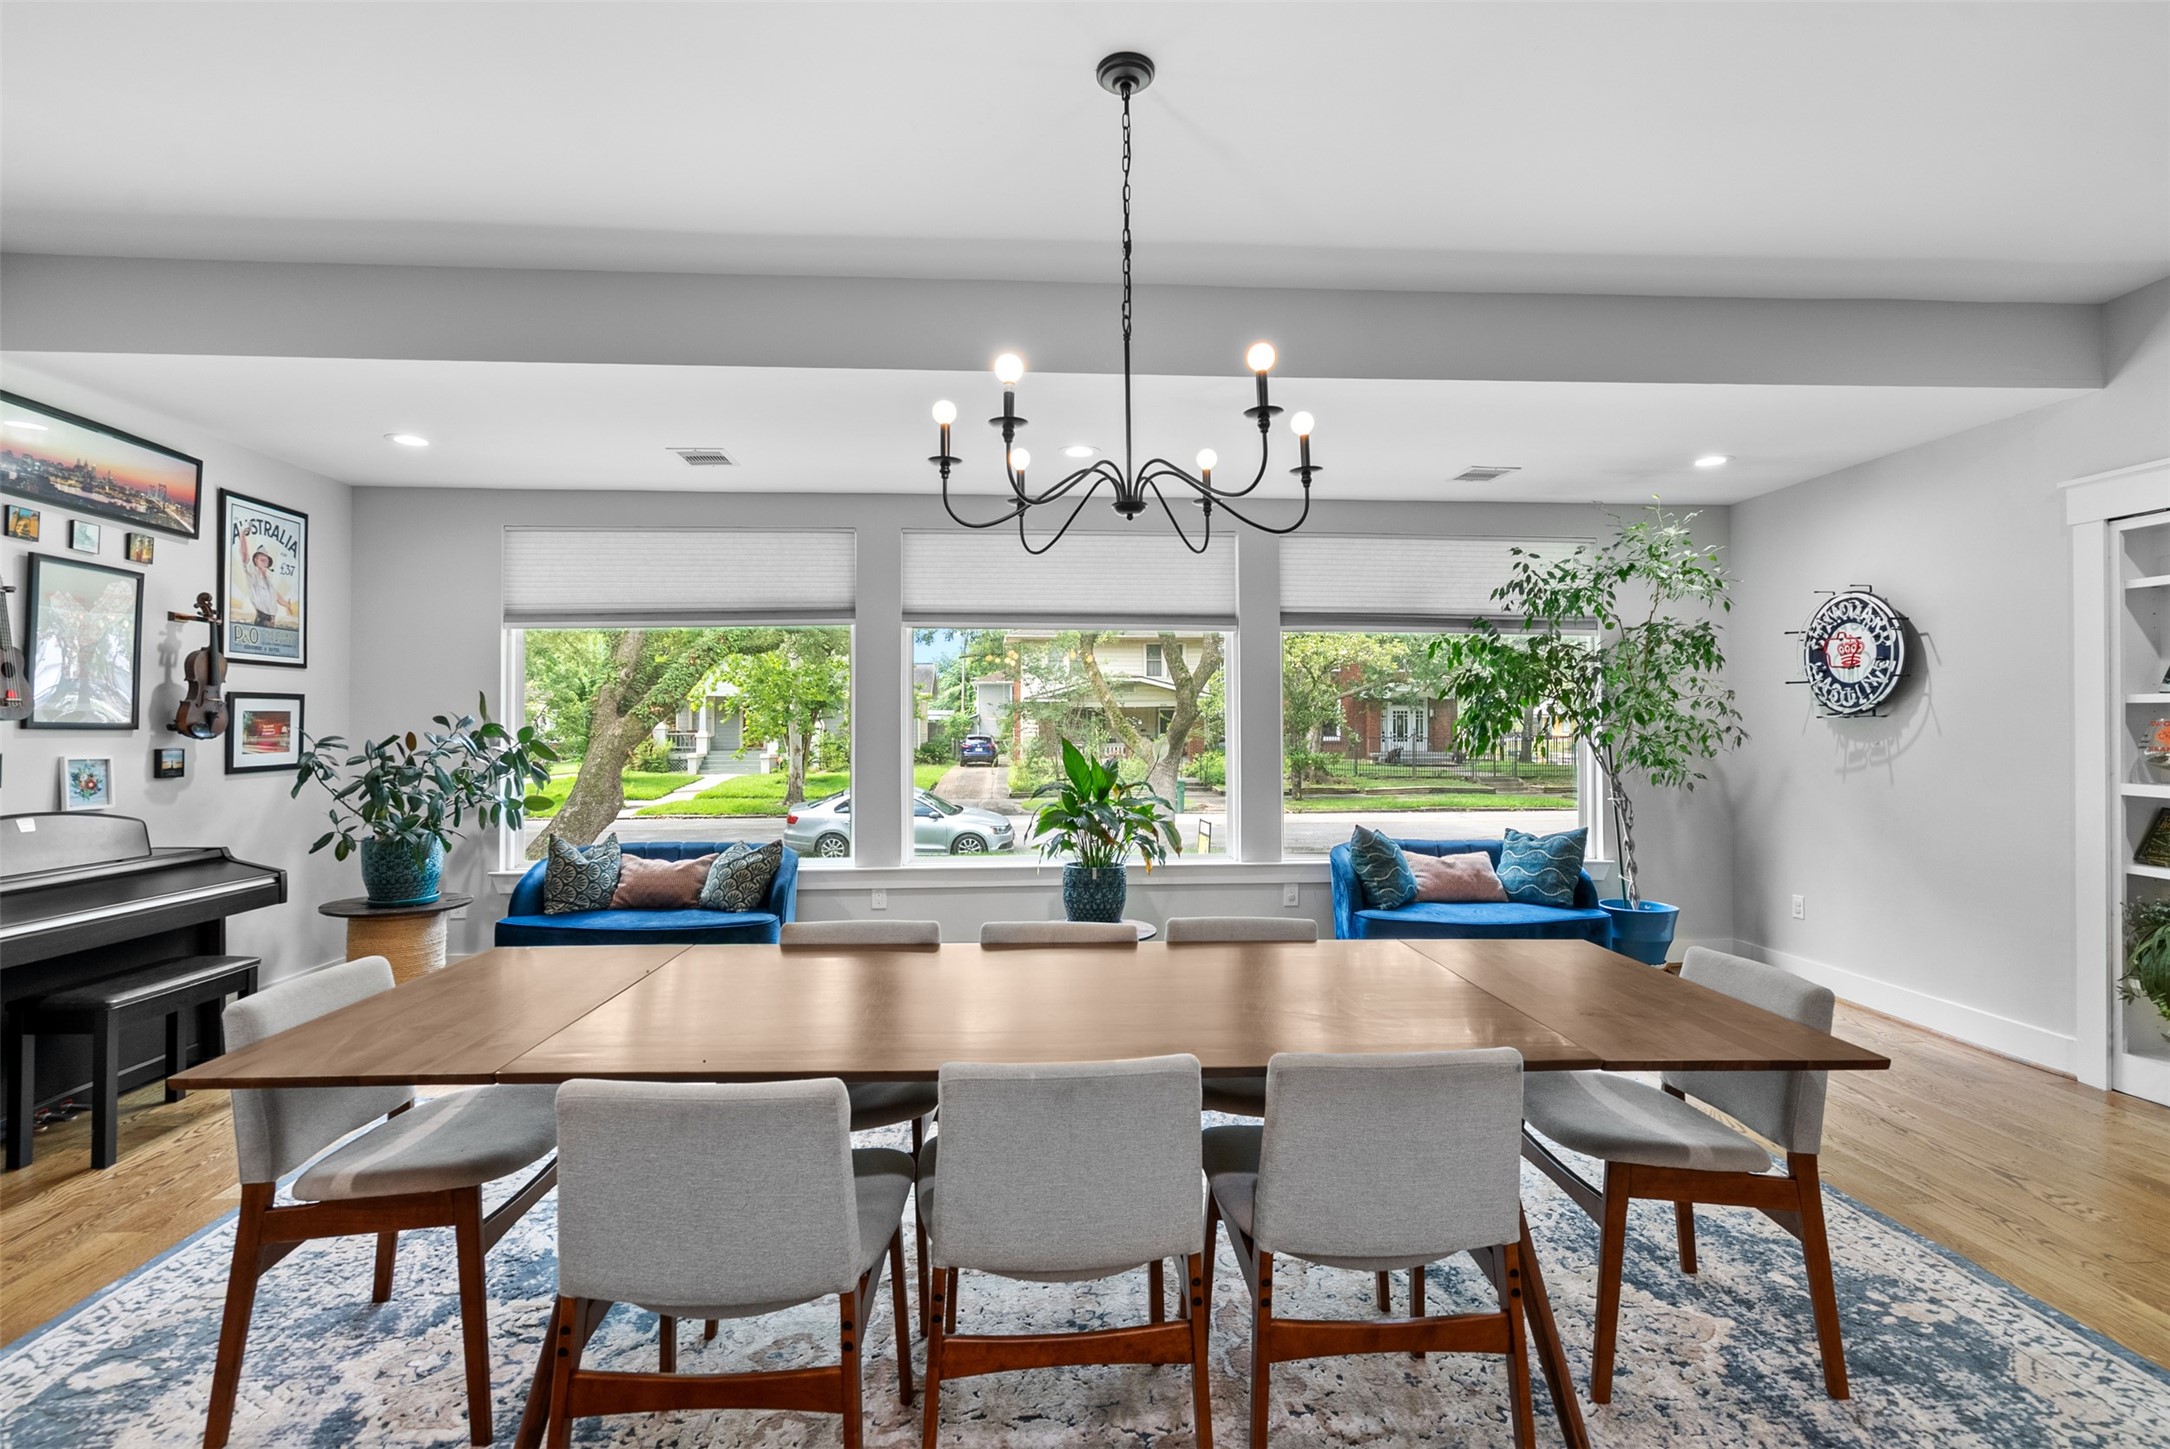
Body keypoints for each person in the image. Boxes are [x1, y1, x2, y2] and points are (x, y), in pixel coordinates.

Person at [244, 539, 280, 627]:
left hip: (272, 621)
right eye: (261, 559)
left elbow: (276, 596)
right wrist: (243, 535)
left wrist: (287, 605)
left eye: (266, 560)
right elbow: (245, 556)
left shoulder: (269, 580)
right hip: (262, 619)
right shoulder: (253, 575)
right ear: (256, 560)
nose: (264, 561)